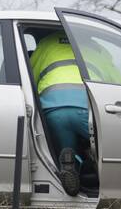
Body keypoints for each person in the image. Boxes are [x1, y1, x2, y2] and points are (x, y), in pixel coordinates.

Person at [30, 32, 89, 196]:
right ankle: (91, 164)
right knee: (106, 149)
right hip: (85, 107)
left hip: (54, 108)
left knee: (66, 149)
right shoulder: (92, 46)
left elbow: (30, 79)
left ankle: (71, 164)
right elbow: (116, 81)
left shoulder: (44, 45)